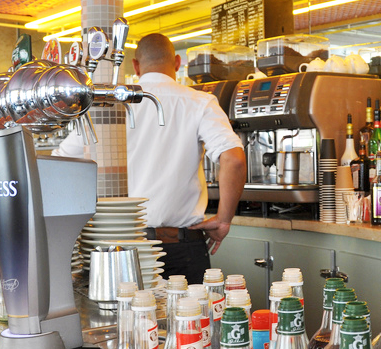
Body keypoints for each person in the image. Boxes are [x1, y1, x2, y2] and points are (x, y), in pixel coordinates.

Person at [54, 33, 246, 283]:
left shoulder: (107, 104)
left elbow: (59, 163)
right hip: (182, 246)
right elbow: (235, 160)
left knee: (125, 322)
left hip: (120, 248)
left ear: (135, 65)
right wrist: (223, 220)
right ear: (177, 62)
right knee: (189, 320)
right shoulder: (200, 102)